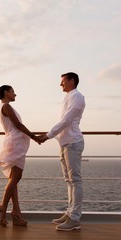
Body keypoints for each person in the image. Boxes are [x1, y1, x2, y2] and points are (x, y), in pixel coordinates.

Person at [0, 85, 41, 227]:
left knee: (14, 179)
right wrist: (35, 137)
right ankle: (1, 209)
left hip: (15, 142)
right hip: (15, 143)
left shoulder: (4, 107)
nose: (15, 94)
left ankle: (16, 213)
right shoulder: (6, 107)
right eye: (12, 91)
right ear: (6, 92)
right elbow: (18, 125)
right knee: (16, 178)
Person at [38, 72, 85, 231]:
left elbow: (66, 120)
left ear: (72, 81)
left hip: (73, 143)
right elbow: (63, 121)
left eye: (63, 81)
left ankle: (75, 219)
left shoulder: (77, 97)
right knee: (69, 180)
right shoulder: (68, 97)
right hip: (65, 143)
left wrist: (48, 135)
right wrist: (52, 136)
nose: (60, 84)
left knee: (75, 180)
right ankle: (70, 212)